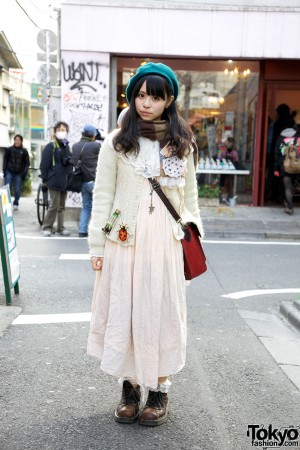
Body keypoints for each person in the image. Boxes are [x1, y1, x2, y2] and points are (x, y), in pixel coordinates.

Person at [87, 62, 203, 427]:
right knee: (127, 310)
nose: (146, 103)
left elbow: (191, 199)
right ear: (131, 96)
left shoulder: (183, 145)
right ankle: (130, 387)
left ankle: (159, 390)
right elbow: (102, 196)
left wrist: (192, 232)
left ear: (169, 99)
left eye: (155, 96)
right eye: (140, 95)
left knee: (160, 311)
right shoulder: (117, 142)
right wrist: (96, 247)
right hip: (125, 240)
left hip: (165, 244)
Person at [39, 121, 72, 237]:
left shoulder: (66, 146)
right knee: (54, 205)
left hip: (64, 180)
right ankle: (47, 227)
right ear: (55, 131)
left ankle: (60, 228)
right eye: (59, 130)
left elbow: (69, 162)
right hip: (53, 180)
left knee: (62, 206)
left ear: (67, 132)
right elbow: (44, 164)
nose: (61, 132)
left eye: (63, 130)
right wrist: (44, 178)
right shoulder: (51, 146)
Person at [72, 124, 101, 237]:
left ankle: (82, 230)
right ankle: (95, 231)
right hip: (94, 180)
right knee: (98, 207)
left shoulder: (75, 146)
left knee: (86, 207)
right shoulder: (96, 146)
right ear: (93, 135)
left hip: (82, 181)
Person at [274, 115, 299, 215]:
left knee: (288, 187)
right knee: (294, 185)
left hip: (285, 165)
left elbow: (277, 153)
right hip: (298, 165)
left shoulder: (281, 137)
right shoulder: (298, 136)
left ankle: (290, 207)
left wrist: (276, 168)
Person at [3, 134, 30, 210]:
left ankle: (16, 202)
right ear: (14, 140)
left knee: (17, 190)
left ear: (21, 141)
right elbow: (5, 160)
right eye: (16, 140)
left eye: (19, 140)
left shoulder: (24, 151)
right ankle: (6, 205)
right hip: (9, 171)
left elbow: (27, 163)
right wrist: (4, 171)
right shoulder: (9, 150)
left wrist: (24, 173)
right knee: (6, 188)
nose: (17, 141)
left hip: (19, 173)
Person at [218, 136, 239, 201]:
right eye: (228, 143)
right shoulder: (223, 152)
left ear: (233, 144)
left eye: (231, 143)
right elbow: (219, 161)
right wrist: (223, 164)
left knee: (230, 184)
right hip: (223, 171)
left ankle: (230, 197)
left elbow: (236, 162)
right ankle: (220, 197)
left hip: (232, 172)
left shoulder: (235, 153)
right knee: (222, 183)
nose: (229, 145)